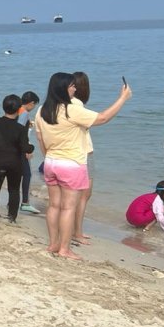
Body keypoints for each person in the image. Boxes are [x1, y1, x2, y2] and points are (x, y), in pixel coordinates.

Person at [35, 72, 130, 260]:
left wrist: (49, 157)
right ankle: (64, 248)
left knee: (54, 205)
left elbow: (40, 138)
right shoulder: (71, 109)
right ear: (63, 88)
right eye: (71, 86)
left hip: (51, 162)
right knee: (68, 207)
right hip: (71, 163)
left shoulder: (41, 110)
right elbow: (102, 118)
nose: (75, 88)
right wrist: (123, 98)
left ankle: (54, 243)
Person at [0, 94, 34, 223]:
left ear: (3, 107)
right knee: (14, 190)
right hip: (15, 163)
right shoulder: (20, 128)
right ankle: (12, 217)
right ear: (18, 109)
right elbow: (25, 147)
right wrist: (32, 148)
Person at [70, 71, 94, 245]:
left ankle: (74, 230)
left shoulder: (62, 105)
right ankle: (76, 231)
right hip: (82, 153)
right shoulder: (77, 106)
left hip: (69, 153)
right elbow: (102, 118)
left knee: (73, 196)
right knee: (83, 195)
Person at [17, 91, 42, 214]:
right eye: (34, 105)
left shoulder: (17, 109)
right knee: (27, 175)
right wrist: (26, 149)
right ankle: (25, 203)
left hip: (13, 148)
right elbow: (20, 132)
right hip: (21, 148)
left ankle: (14, 201)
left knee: (16, 175)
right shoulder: (25, 113)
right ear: (31, 103)